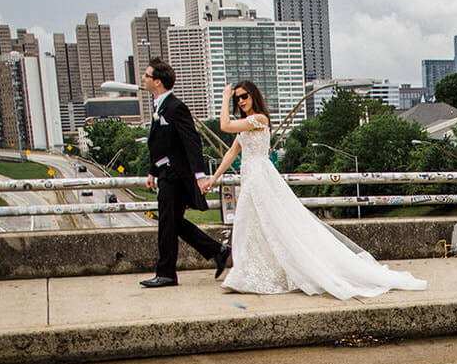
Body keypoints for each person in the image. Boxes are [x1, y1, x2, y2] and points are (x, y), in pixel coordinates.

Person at [200, 81, 426, 299]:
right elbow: (231, 153)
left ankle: (262, 273)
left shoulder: (259, 119)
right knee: (250, 224)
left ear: (253, 96)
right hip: (249, 176)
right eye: (237, 98)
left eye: (244, 96)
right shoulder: (246, 123)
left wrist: (224, 98)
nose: (240, 101)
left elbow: (224, 126)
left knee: (270, 223)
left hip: (260, 176)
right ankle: (250, 271)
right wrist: (214, 178)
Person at [139, 57, 229, 288]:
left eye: (147, 76)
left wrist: (200, 175)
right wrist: (153, 170)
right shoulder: (161, 106)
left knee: (167, 224)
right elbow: (162, 144)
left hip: (176, 176)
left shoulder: (175, 107)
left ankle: (167, 273)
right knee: (172, 222)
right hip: (165, 173)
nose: (143, 79)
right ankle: (217, 250)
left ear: (157, 82)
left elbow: (191, 142)